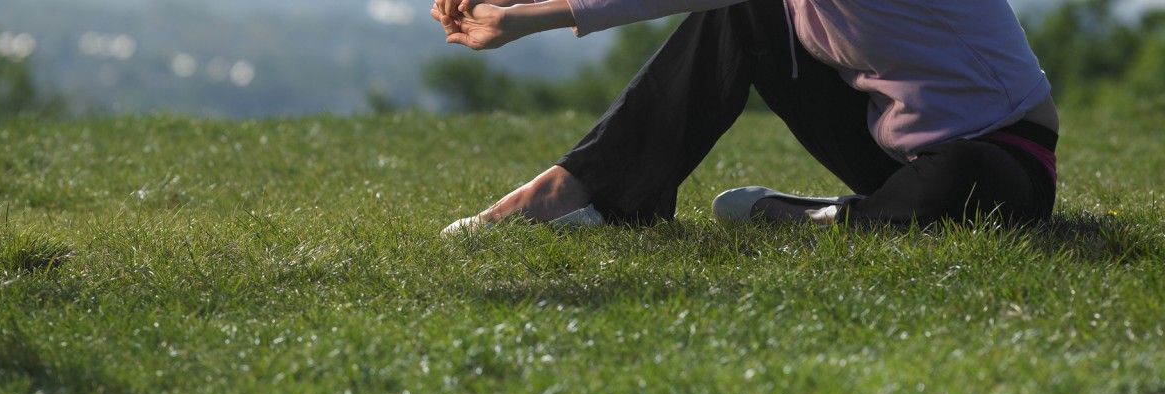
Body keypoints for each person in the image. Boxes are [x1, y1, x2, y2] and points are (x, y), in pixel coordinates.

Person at [433, 0, 1060, 234]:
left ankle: (821, 218)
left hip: (1002, 155)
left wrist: (527, 18)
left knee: (964, 178)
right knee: (742, 13)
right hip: (889, 145)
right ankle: (590, 191)